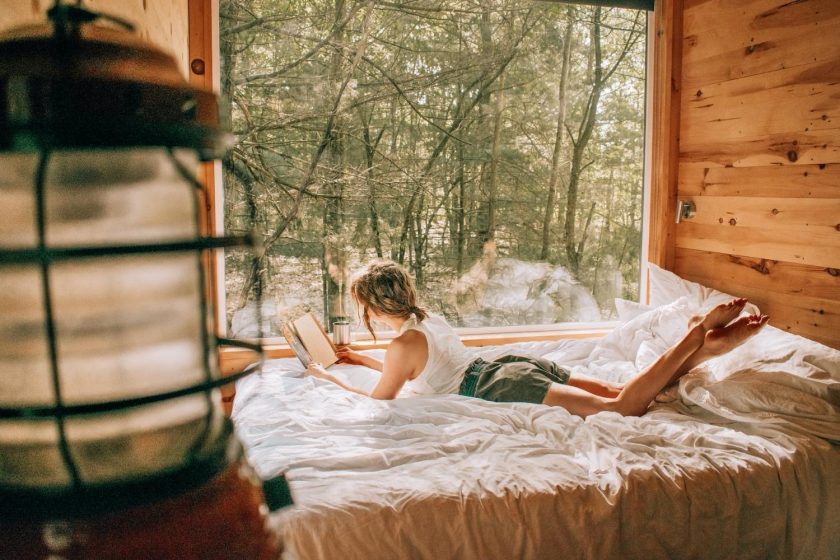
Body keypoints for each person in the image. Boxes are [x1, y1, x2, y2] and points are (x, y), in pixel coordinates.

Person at [305, 260, 768, 418]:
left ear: (370, 307)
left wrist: (329, 378)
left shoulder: (401, 347)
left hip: (499, 386)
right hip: (508, 366)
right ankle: (699, 351)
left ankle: (692, 337)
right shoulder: (426, 321)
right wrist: (359, 360)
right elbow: (407, 370)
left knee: (620, 408)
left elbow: (382, 399)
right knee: (617, 391)